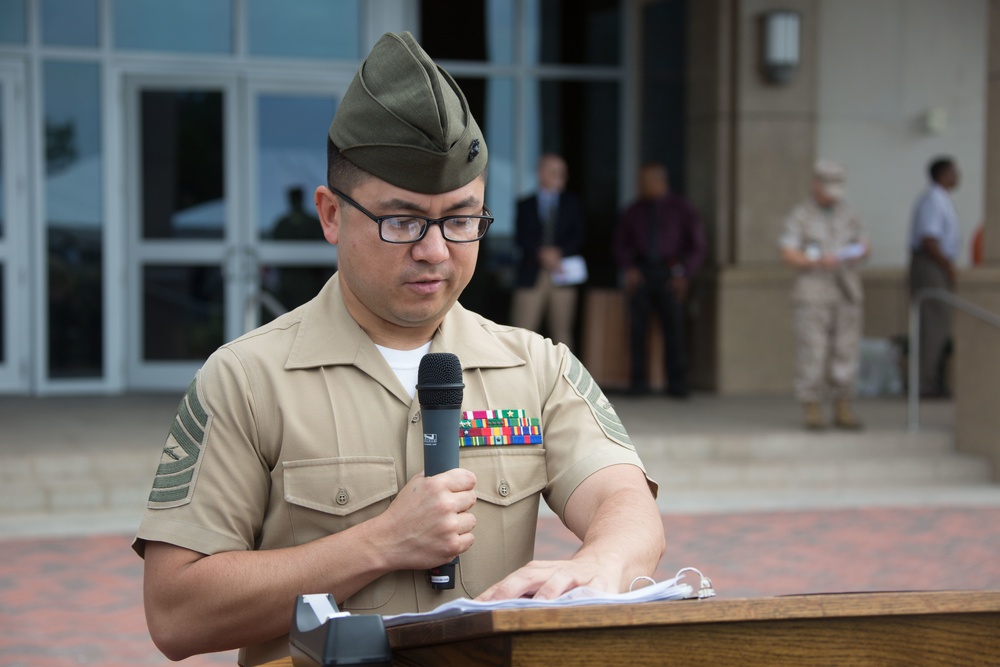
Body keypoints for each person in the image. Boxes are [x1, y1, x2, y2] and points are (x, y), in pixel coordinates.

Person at [134, 32, 664, 666]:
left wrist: (600, 563)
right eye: (403, 221)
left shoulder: (537, 367)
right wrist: (379, 543)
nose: (435, 251)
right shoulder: (247, 380)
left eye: (461, 220)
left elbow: (625, 504)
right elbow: (176, 612)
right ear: (331, 215)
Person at [779, 160, 869, 430]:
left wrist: (856, 253)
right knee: (813, 351)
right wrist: (816, 262)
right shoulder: (801, 216)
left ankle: (843, 405)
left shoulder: (849, 214)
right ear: (816, 186)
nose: (832, 195)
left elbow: (865, 245)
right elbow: (788, 252)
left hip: (845, 290)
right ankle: (812, 407)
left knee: (846, 349)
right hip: (814, 291)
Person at [613, 162, 705, 398]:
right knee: (637, 331)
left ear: (658, 182)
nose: (640, 187)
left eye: (643, 182)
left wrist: (686, 275)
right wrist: (628, 268)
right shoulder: (634, 210)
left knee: (674, 330)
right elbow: (619, 243)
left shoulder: (682, 208)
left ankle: (677, 384)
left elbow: (697, 246)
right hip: (642, 273)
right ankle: (638, 384)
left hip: (671, 273)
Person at [511, 154, 586, 350]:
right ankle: (520, 378)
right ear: (541, 174)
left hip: (563, 273)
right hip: (531, 273)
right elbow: (520, 237)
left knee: (563, 332)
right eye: (555, 172)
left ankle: (564, 378)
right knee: (522, 332)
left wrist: (558, 253)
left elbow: (579, 235)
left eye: (563, 172)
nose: (561, 176)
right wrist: (541, 254)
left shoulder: (573, 203)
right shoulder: (525, 204)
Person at [909, 157, 961, 398]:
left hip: (936, 263)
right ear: (942, 174)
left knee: (941, 323)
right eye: (953, 172)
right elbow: (929, 239)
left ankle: (933, 379)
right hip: (930, 263)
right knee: (933, 322)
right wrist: (947, 267)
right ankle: (924, 381)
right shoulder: (933, 199)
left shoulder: (942, 199)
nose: (957, 176)